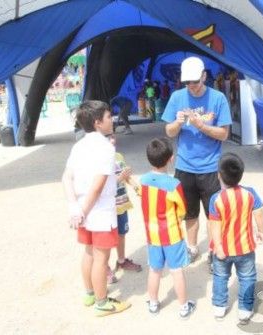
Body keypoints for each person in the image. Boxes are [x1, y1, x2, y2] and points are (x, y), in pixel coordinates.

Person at [61, 100, 131, 317]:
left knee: (89, 253)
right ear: (98, 122)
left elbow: (66, 177)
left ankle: (90, 293)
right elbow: (98, 186)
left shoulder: (79, 145)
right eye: (109, 116)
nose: (113, 119)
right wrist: (82, 210)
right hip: (100, 212)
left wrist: (75, 207)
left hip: (83, 209)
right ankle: (102, 302)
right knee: (101, 258)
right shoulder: (105, 148)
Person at [161, 56, 232, 264]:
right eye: (187, 82)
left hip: (210, 166)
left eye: (195, 81)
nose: (191, 86)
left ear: (204, 76)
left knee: (213, 215)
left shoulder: (218, 98)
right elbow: (169, 132)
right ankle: (192, 248)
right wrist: (178, 123)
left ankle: (213, 250)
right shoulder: (177, 97)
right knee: (189, 212)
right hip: (184, 166)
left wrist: (201, 126)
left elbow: (224, 134)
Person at [140, 137, 196, 318]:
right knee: (176, 270)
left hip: (152, 235)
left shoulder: (144, 180)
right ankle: (183, 306)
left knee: (155, 270)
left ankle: (154, 303)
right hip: (172, 234)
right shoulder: (174, 185)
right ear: (171, 158)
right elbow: (182, 210)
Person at [209, 152, 263, 324]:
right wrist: (261, 231)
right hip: (245, 248)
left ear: (219, 175)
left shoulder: (216, 198)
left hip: (223, 249)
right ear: (241, 175)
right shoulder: (250, 194)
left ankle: (219, 307)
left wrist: (218, 246)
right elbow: (259, 215)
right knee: (247, 278)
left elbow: (214, 225)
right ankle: (245, 310)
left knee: (220, 277)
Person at [106, 134, 142, 284]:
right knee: (107, 238)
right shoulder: (98, 161)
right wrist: (120, 177)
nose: (112, 140)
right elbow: (102, 185)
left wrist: (134, 185)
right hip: (108, 207)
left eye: (113, 136)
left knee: (121, 233)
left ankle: (121, 260)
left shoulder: (119, 156)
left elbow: (125, 176)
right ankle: (104, 267)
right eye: (108, 138)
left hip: (122, 203)